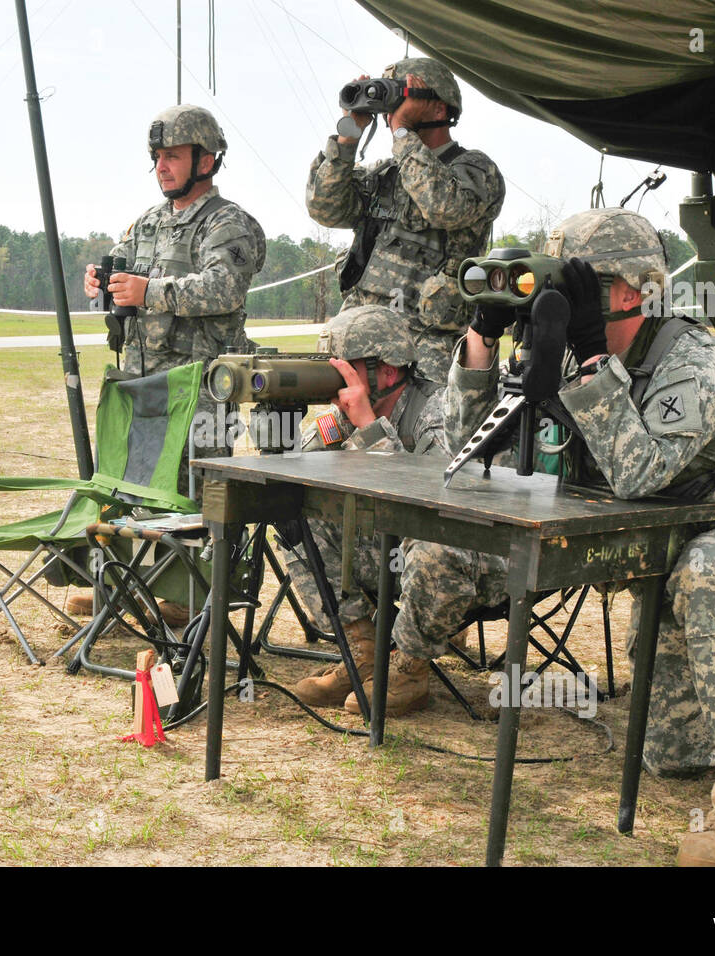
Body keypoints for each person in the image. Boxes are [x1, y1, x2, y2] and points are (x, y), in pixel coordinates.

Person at [381, 207, 715, 867]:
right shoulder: (566, 347)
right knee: (671, 755)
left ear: (632, 290)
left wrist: (590, 360)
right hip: (640, 539)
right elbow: (463, 452)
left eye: (581, 283)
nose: (563, 297)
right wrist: (483, 341)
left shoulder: (692, 359)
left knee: (708, 573)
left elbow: (639, 472)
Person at [279, 305, 447, 707]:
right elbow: (292, 468)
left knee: (430, 548)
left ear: (387, 371)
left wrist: (370, 428)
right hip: (381, 548)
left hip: (435, 554)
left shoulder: (436, 409)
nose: (335, 379)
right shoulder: (344, 416)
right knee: (295, 522)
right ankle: (362, 650)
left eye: (346, 368)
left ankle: (411, 668)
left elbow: (439, 499)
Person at [84, 103, 266, 459]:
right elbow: (121, 263)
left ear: (205, 162)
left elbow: (224, 289)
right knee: (139, 498)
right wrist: (99, 281)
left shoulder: (225, 223)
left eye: (172, 156)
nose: (161, 167)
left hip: (196, 399)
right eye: (156, 157)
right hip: (140, 389)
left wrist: (147, 292)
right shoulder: (150, 221)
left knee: (191, 506)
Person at [307, 57, 505, 386]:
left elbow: (445, 207)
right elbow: (324, 208)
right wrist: (348, 134)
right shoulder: (385, 173)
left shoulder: (476, 171)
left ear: (440, 109)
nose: (393, 108)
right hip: (362, 335)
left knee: (423, 433)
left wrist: (402, 131)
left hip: (427, 344)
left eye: (405, 95)